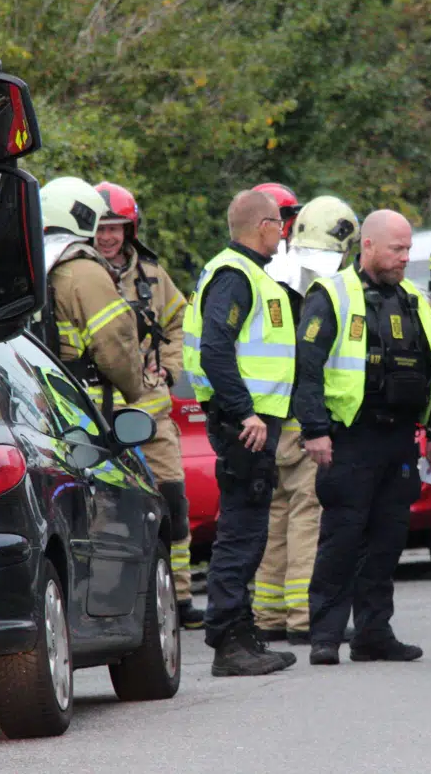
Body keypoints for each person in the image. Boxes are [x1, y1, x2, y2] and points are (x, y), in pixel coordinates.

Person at [296, 209, 431, 665]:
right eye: (397, 249)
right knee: (342, 539)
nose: (406, 257)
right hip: (349, 438)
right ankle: (325, 635)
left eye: (408, 248)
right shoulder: (332, 294)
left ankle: (373, 633)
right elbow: (306, 369)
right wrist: (315, 431)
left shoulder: (412, 299)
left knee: (387, 540)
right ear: (368, 245)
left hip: (400, 438)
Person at [180, 189, 298, 676]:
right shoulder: (235, 276)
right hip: (243, 424)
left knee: (249, 530)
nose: (284, 232)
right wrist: (246, 411)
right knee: (240, 532)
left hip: (253, 421)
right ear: (264, 225)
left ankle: (241, 632)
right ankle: (229, 641)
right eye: (280, 224)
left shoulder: (250, 274)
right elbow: (215, 350)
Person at [89, 180, 204, 631]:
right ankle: (113, 601)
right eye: (100, 228)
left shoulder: (152, 277)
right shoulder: (77, 275)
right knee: (103, 511)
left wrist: (170, 371)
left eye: (115, 228)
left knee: (172, 500)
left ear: (130, 229)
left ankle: (180, 595)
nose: (108, 237)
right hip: (97, 413)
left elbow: (178, 323)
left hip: (152, 410)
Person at [253, 191, 361, 645]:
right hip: (299, 419)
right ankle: (304, 614)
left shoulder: (266, 275)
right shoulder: (320, 285)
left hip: (264, 416)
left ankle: (268, 612)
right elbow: (310, 361)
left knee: (275, 515)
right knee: (306, 515)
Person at [41, 177, 150, 409]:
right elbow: (114, 342)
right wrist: (135, 389)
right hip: (86, 411)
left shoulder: (32, 263)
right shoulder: (85, 272)